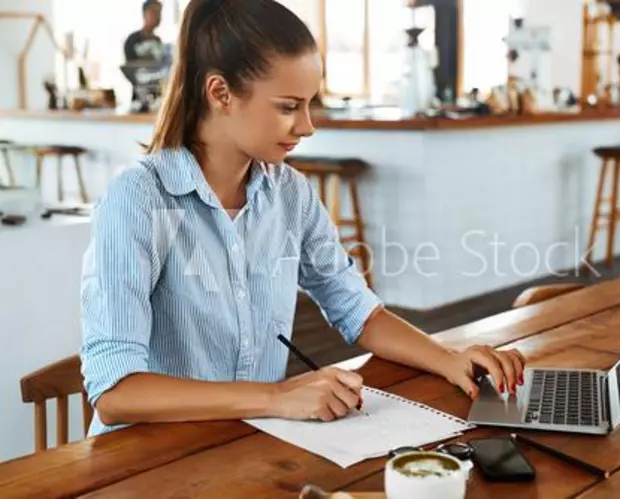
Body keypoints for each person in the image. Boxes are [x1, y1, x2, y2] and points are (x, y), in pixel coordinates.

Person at [80, 0, 526, 437]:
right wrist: (275, 397)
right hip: (147, 460)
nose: (308, 126)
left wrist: (448, 358)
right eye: (289, 106)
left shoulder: (289, 193)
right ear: (220, 94)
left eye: (310, 104)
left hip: (244, 443)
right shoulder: (137, 200)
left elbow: (357, 310)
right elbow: (116, 393)